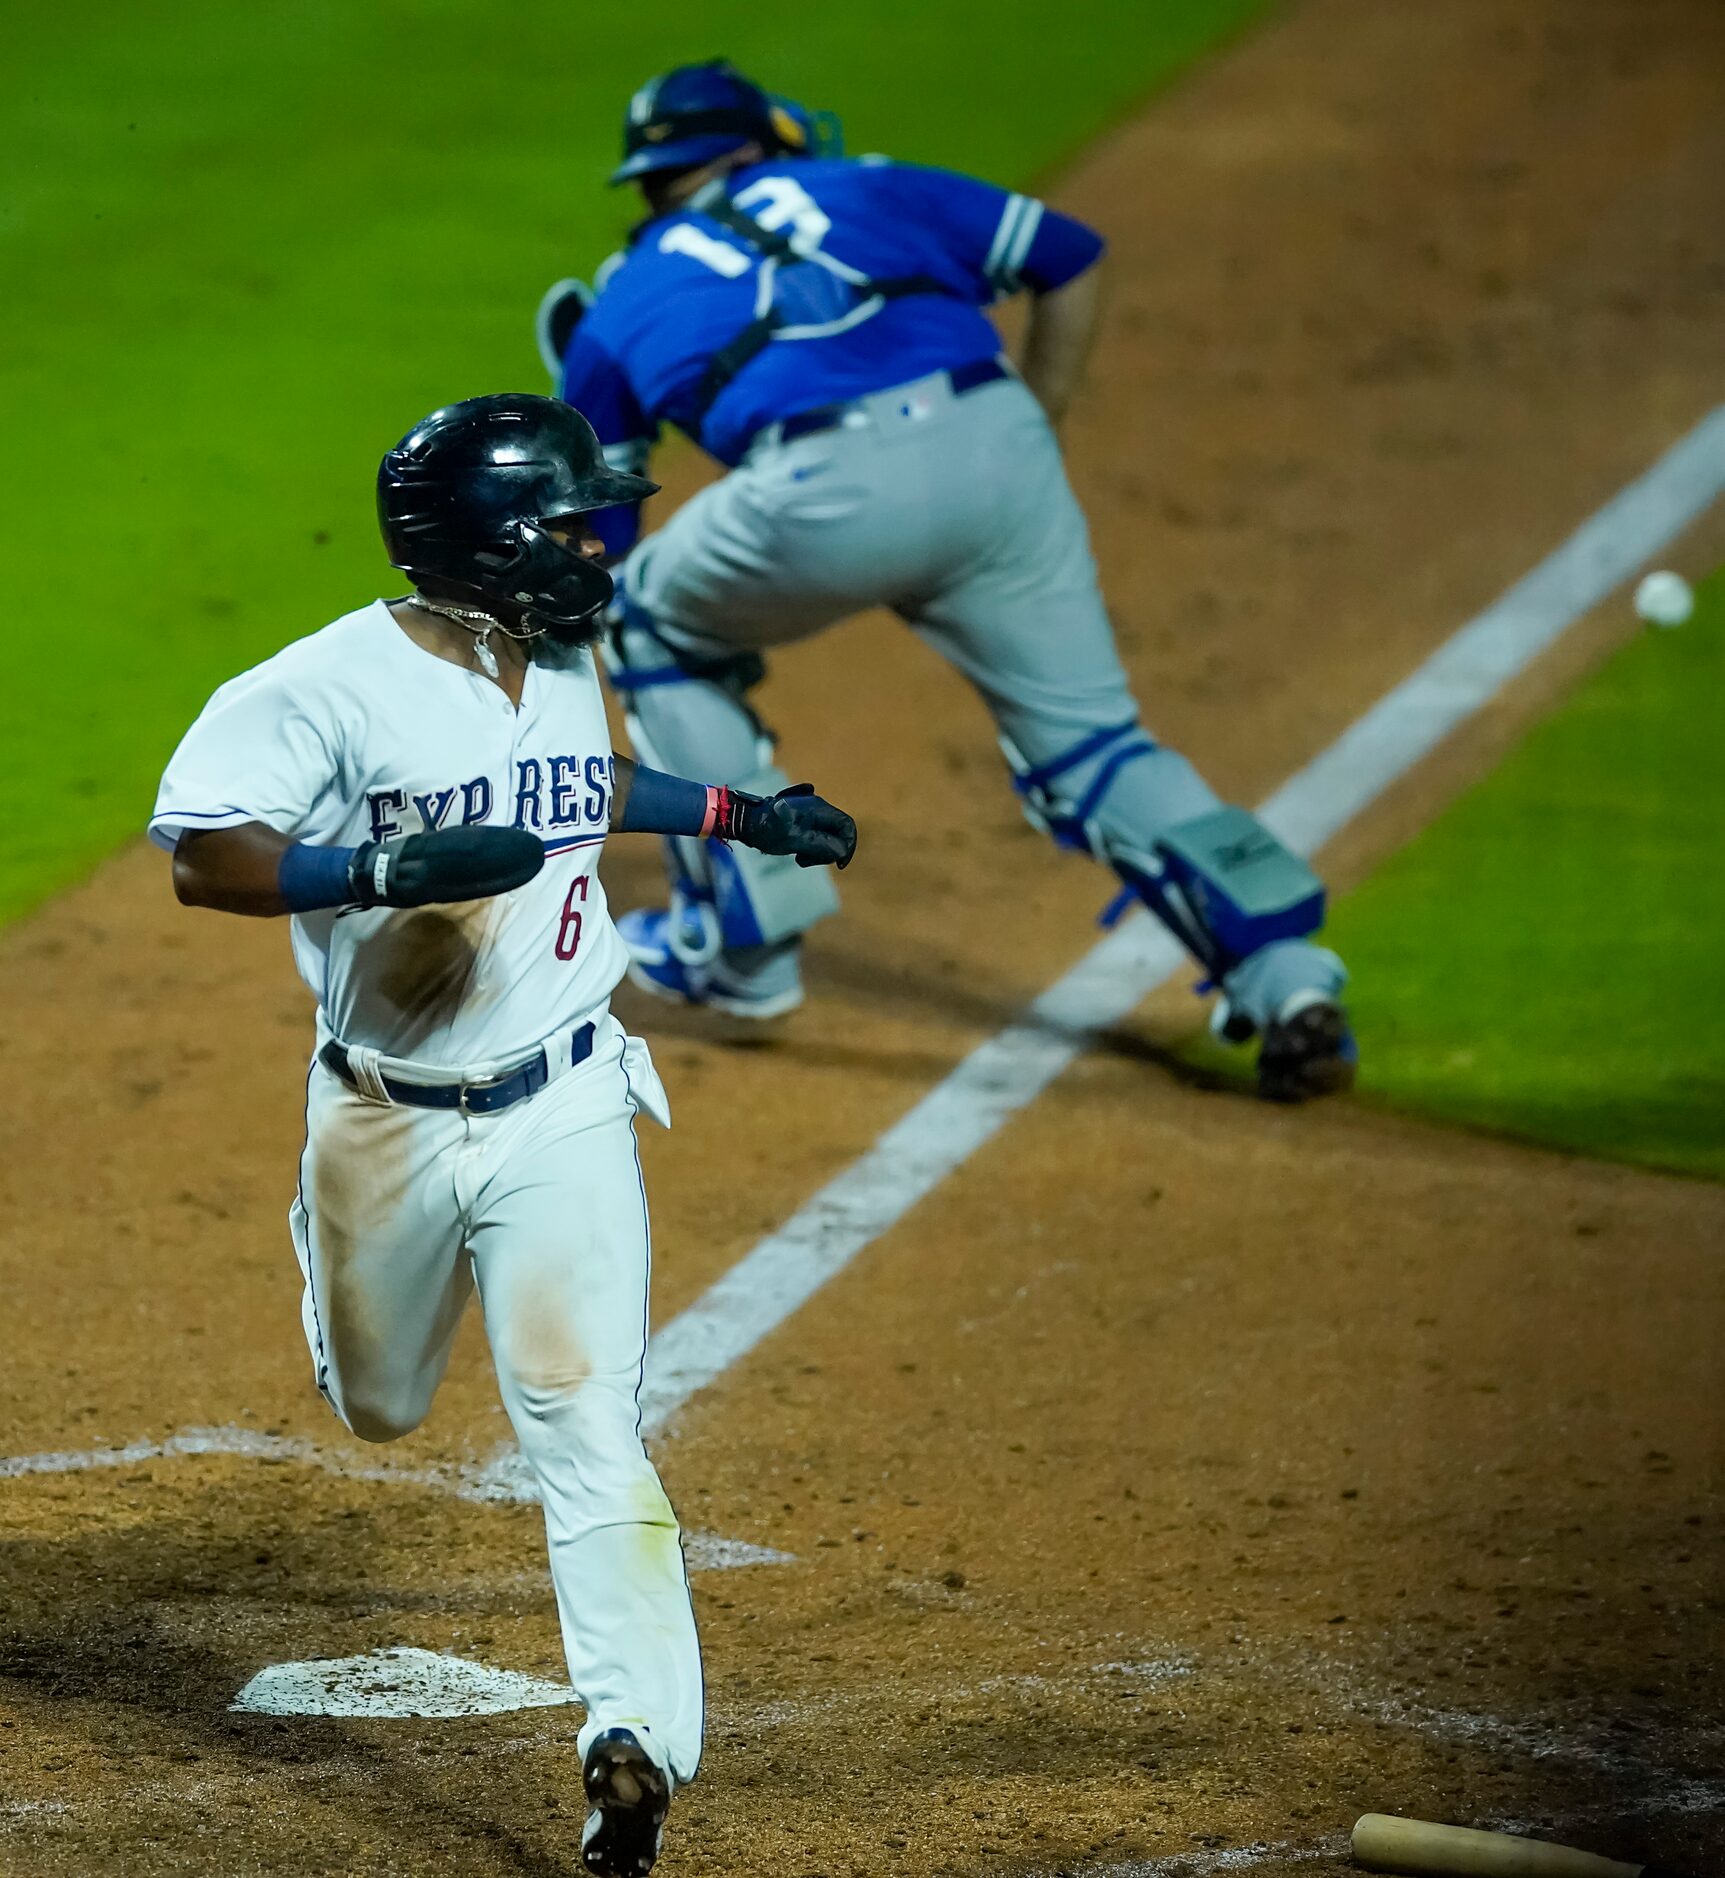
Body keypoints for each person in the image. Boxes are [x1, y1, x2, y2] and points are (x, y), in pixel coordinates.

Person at [149, 392, 855, 1877]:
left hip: (569, 1101)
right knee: (381, 1402)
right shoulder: (326, 684)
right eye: (571, 521)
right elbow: (207, 854)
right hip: (382, 1121)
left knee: (586, 1421)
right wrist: (378, 863)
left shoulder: (553, 653)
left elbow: (574, 784)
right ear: (488, 541)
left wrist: (734, 810)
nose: (599, 544)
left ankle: (632, 1749)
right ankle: (337, 1265)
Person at [536, 59, 1354, 1101]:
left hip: (820, 487)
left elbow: (598, 538)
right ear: (765, 142)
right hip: (997, 443)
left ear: (655, 183)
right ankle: (1289, 980)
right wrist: (1039, 427)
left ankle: (741, 954)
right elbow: (1071, 256)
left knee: (649, 624)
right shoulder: (867, 181)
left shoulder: (623, 299)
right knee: (1095, 743)